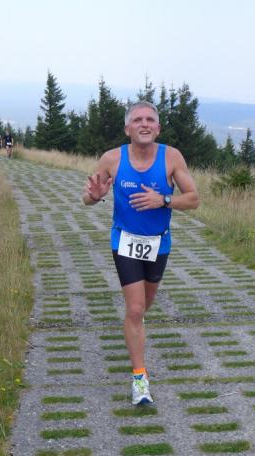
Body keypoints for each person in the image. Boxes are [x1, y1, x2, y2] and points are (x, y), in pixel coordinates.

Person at [82, 101, 200, 405]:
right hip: (124, 240)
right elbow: (88, 196)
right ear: (127, 128)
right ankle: (139, 379)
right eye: (137, 120)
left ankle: (134, 329)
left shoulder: (171, 157)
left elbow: (193, 199)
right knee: (135, 310)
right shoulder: (112, 159)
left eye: (149, 120)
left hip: (159, 243)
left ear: (157, 128)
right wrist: (94, 197)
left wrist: (164, 200)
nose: (144, 124)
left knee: (143, 308)